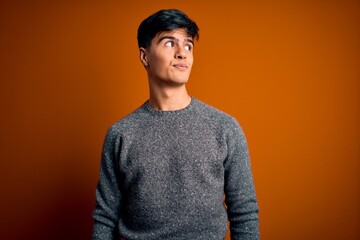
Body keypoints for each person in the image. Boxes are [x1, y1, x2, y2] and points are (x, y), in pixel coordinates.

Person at [93, 9, 259, 240]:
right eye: (170, 43)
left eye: (188, 45)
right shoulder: (121, 134)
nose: (183, 53)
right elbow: (104, 218)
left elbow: (244, 213)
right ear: (144, 56)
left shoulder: (225, 127)